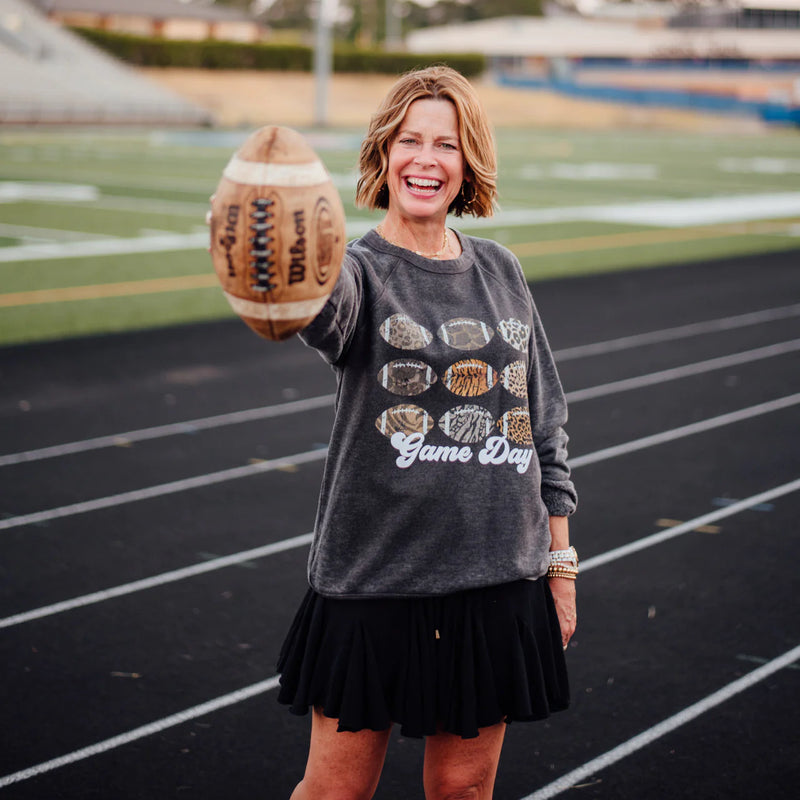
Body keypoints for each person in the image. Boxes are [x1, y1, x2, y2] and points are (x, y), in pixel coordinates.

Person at [275, 65, 578, 800]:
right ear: (383, 154)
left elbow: (544, 427)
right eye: (410, 140)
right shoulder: (359, 273)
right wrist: (287, 271)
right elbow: (323, 315)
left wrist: (561, 570)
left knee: (463, 794)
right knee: (334, 794)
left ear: (467, 163)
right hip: (377, 579)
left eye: (446, 145)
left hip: (497, 579)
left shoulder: (502, 269)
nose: (426, 159)